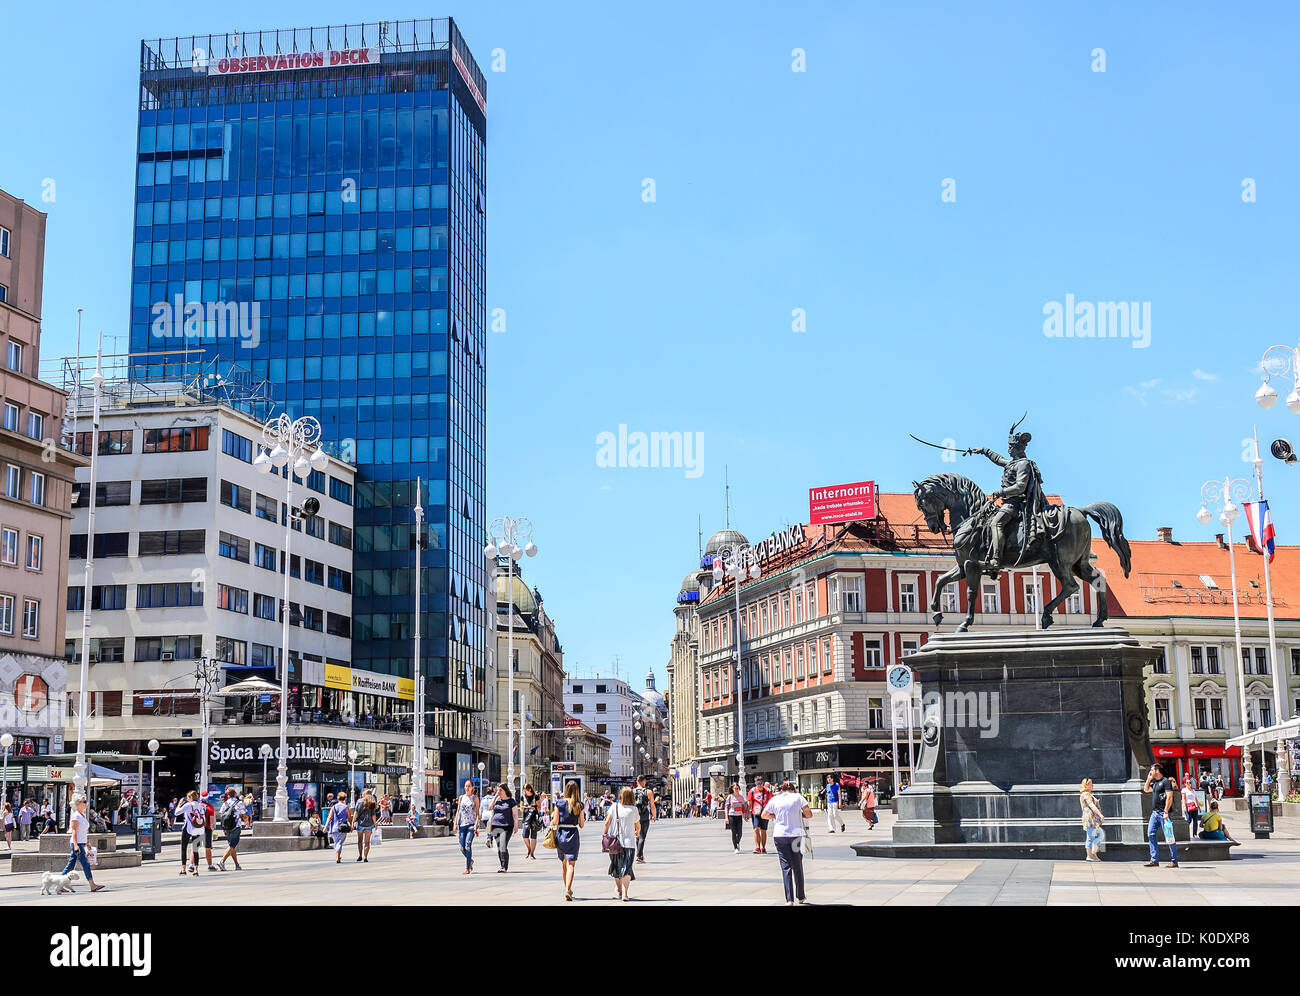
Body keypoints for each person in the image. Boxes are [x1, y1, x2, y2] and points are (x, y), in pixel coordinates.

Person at [763, 780, 812, 906]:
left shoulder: (775, 799)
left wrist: (775, 816)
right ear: (793, 789)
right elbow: (809, 814)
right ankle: (800, 896)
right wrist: (799, 814)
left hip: (779, 835)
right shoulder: (798, 797)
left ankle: (789, 899)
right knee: (797, 865)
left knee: (786, 867)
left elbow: (764, 815)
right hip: (795, 835)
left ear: (781, 789)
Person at [60, 795, 105, 893]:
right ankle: (92, 885)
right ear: (78, 804)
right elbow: (74, 831)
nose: (86, 804)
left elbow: (82, 832)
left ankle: (59, 885)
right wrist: (76, 845)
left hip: (80, 843)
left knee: (70, 866)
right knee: (85, 864)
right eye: (84, 802)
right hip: (77, 844)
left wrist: (86, 843)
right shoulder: (76, 816)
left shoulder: (82, 815)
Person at [604, 787, 641, 901]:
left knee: (616, 867)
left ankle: (619, 890)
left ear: (620, 796)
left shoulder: (614, 807)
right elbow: (638, 825)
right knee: (627, 868)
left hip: (614, 843)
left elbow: (607, 823)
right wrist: (637, 832)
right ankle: (625, 893)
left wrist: (604, 835)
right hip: (629, 843)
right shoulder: (633, 809)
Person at [553, 780, 586, 902]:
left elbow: (555, 822)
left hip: (561, 834)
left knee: (564, 863)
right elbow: (581, 824)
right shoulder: (579, 805)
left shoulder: (559, 803)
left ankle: (567, 888)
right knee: (571, 864)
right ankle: (568, 889)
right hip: (573, 833)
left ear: (566, 790)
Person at [1143, 763, 1179, 868]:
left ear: (1157, 770)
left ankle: (1174, 860)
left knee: (1169, 836)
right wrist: (1149, 779)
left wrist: (1166, 811)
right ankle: (1154, 860)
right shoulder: (1155, 782)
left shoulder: (1165, 782)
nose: (1151, 771)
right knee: (1150, 834)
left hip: (1164, 813)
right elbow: (1146, 789)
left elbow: (1169, 797)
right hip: (1155, 813)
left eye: (1152, 770)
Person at [489, 783, 518, 872]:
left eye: (500, 790)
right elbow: (490, 807)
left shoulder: (511, 801)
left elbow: (515, 814)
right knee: (499, 847)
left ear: (505, 790)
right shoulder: (497, 801)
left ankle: (504, 866)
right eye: (497, 790)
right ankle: (502, 865)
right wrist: (495, 797)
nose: (499, 792)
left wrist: (516, 825)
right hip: (495, 825)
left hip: (507, 826)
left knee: (503, 845)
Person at [176, 790, 206, 876]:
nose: (187, 799)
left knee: (184, 848)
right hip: (198, 829)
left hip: (188, 828)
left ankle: (183, 869)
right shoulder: (201, 806)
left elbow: (176, 813)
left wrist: (179, 804)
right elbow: (204, 819)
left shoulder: (188, 805)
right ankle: (196, 870)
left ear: (191, 797)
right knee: (195, 849)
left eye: (188, 797)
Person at [217, 787, 246, 871]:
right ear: (235, 794)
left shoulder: (225, 803)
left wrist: (224, 827)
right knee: (232, 845)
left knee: (232, 846)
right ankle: (222, 861)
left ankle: (237, 865)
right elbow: (244, 814)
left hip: (227, 827)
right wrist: (247, 822)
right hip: (235, 826)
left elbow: (221, 814)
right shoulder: (239, 803)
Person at [455, 780, 479, 874]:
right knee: (461, 847)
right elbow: (458, 811)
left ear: (472, 787)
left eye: (469, 786)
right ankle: (470, 861)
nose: (467, 788)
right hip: (462, 825)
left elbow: (478, 813)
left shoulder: (474, 798)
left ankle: (468, 867)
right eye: (466, 786)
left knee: (467, 845)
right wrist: (455, 823)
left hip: (471, 825)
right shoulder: (461, 798)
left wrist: (476, 824)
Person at [1079, 777, 1105, 862]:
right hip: (1090, 819)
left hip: (1092, 819)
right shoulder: (1086, 794)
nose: (1092, 785)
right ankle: (1090, 855)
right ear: (1086, 785)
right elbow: (1091, 805)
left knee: (1095, 836)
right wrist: (1100, 814)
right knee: (1091, 837)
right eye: (1091, 784)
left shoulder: (1088, 794)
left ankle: (1093, 854)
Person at [633, 774, 657, 863]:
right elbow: (652, 805)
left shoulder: (632, 791)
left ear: (637, 782)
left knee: (637, 835)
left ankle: (641, 855)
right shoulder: (649, 792)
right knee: (642, 836)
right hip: (644, 815)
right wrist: (654, 815)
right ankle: (639, 856)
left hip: (635, 815)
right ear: (644, 781)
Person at [747, 778, 774, 853]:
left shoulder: (768, 791)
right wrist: (747, 813)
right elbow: (749, 802)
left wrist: (772, 812)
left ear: (763, 783)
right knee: (756, 829)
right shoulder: (752, 791)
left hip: (765, 813)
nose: (758, 785)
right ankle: (757, 847)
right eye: (757, 784)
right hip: (755, 812)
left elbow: (771, 802)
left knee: (763, 830)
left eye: (760, 783)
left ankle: (763, 847)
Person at [324, 792, 351, 863]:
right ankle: (337, 856)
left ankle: (338, 856)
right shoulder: (346, 807)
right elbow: (349, 817)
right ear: (345, 798)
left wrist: (325, 827)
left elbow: (329, 817)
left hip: (334, 828)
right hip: (342, 828)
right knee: (339, 843)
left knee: (336, 842)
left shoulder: (334, 807)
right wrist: (351, 825)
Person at [354, 790, 379, 862]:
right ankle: (365, 857)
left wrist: (352, 822)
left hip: (360, 823)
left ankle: (360, 855)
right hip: (369, 824)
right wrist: (375, 824)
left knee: (360, 841)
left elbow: (356, 812)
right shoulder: (372, 802)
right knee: (367, 842)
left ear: (364, 794)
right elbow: (373, 815)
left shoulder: (359, 801)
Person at [724, 783, 748, 853]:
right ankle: (735, 848)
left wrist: (745, 816)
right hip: (732, 816)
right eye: (735, 788)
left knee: (740, 833)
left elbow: (743, 808)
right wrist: (726, 818)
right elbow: (726, 807)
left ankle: (737, 842)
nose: (736, 790)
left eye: (737, 788)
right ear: (732, 789)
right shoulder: (730, 797)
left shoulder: (741, 797)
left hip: (739, 816)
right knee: (734, 832)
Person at [520, 784, 541, 860]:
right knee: (525, 836)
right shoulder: (523, 797)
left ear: (529, 789)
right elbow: (521, 809)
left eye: (525, 789)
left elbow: (539, 808)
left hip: (534, 818)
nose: (524, 791)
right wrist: (523, 807)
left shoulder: (536, 796)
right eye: (523, 789)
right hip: (526, 818)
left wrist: (533, 807)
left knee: (533, 836)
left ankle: (532, 853)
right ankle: (529, 848)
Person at [201, 792, 217, 871]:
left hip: (197, 829)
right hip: (207, 829)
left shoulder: (197, 806)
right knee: (208, 847)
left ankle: (191, 865)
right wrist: (213, 829)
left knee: (195, 846)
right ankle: (210, 865)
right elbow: (211, 822)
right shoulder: (210, 807)